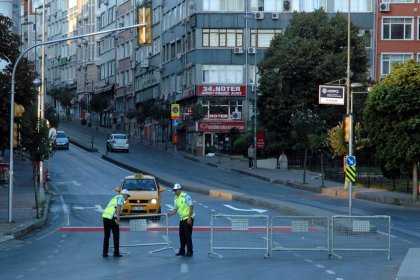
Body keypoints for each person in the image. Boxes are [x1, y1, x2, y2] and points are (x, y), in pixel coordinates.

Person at [168, 183, 195, 257]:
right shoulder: (176, 198)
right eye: (174, 191)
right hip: (182, 218)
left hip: (188, 218)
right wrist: (168, 214)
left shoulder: (186, 196)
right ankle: (182, 251)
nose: (175, 192)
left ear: (179, 190)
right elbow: (175, 209)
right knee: (181, 235)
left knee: (188, 235)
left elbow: (191, 207)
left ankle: (190, 251)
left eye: (176, 190)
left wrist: (189, 218)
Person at [102, 188, 130, 258]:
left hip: (105, 217)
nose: (127, 197)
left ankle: (104, 253)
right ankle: (116, 253)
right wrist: (117, 216)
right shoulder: (121, 198)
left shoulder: (115, 197)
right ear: (125, 195)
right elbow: (118, 206)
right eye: (127, 196)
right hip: (112, 217)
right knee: (116, 235)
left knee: (106, 236)